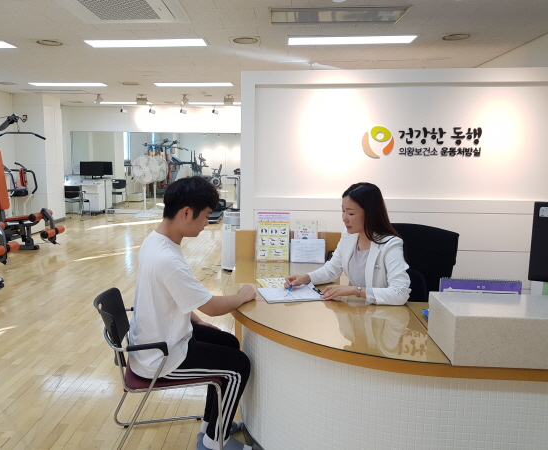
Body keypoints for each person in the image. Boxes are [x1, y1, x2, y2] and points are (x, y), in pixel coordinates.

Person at [128, 176, 256, 450]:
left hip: (157, 337)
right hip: (160, 356)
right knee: (238, 366)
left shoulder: (156, 240)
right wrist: (243, 295)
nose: (207, 222)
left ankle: (212, 424)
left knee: (228, 343)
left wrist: (194, 319)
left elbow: (169, 296)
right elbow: (211, 306)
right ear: (187, 212)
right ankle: (214, 442)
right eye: (206, 215)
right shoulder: (166, 258)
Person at [285, 182, 411, 305]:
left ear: (370, 214)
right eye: (343, 211)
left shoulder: (391, 245)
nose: (344, 218)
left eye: (351, 213)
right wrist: (305, 278)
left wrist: (356, 290)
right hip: (357, 310)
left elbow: (400, 294)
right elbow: (331, 270)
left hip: (382, 314)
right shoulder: (349, 235)